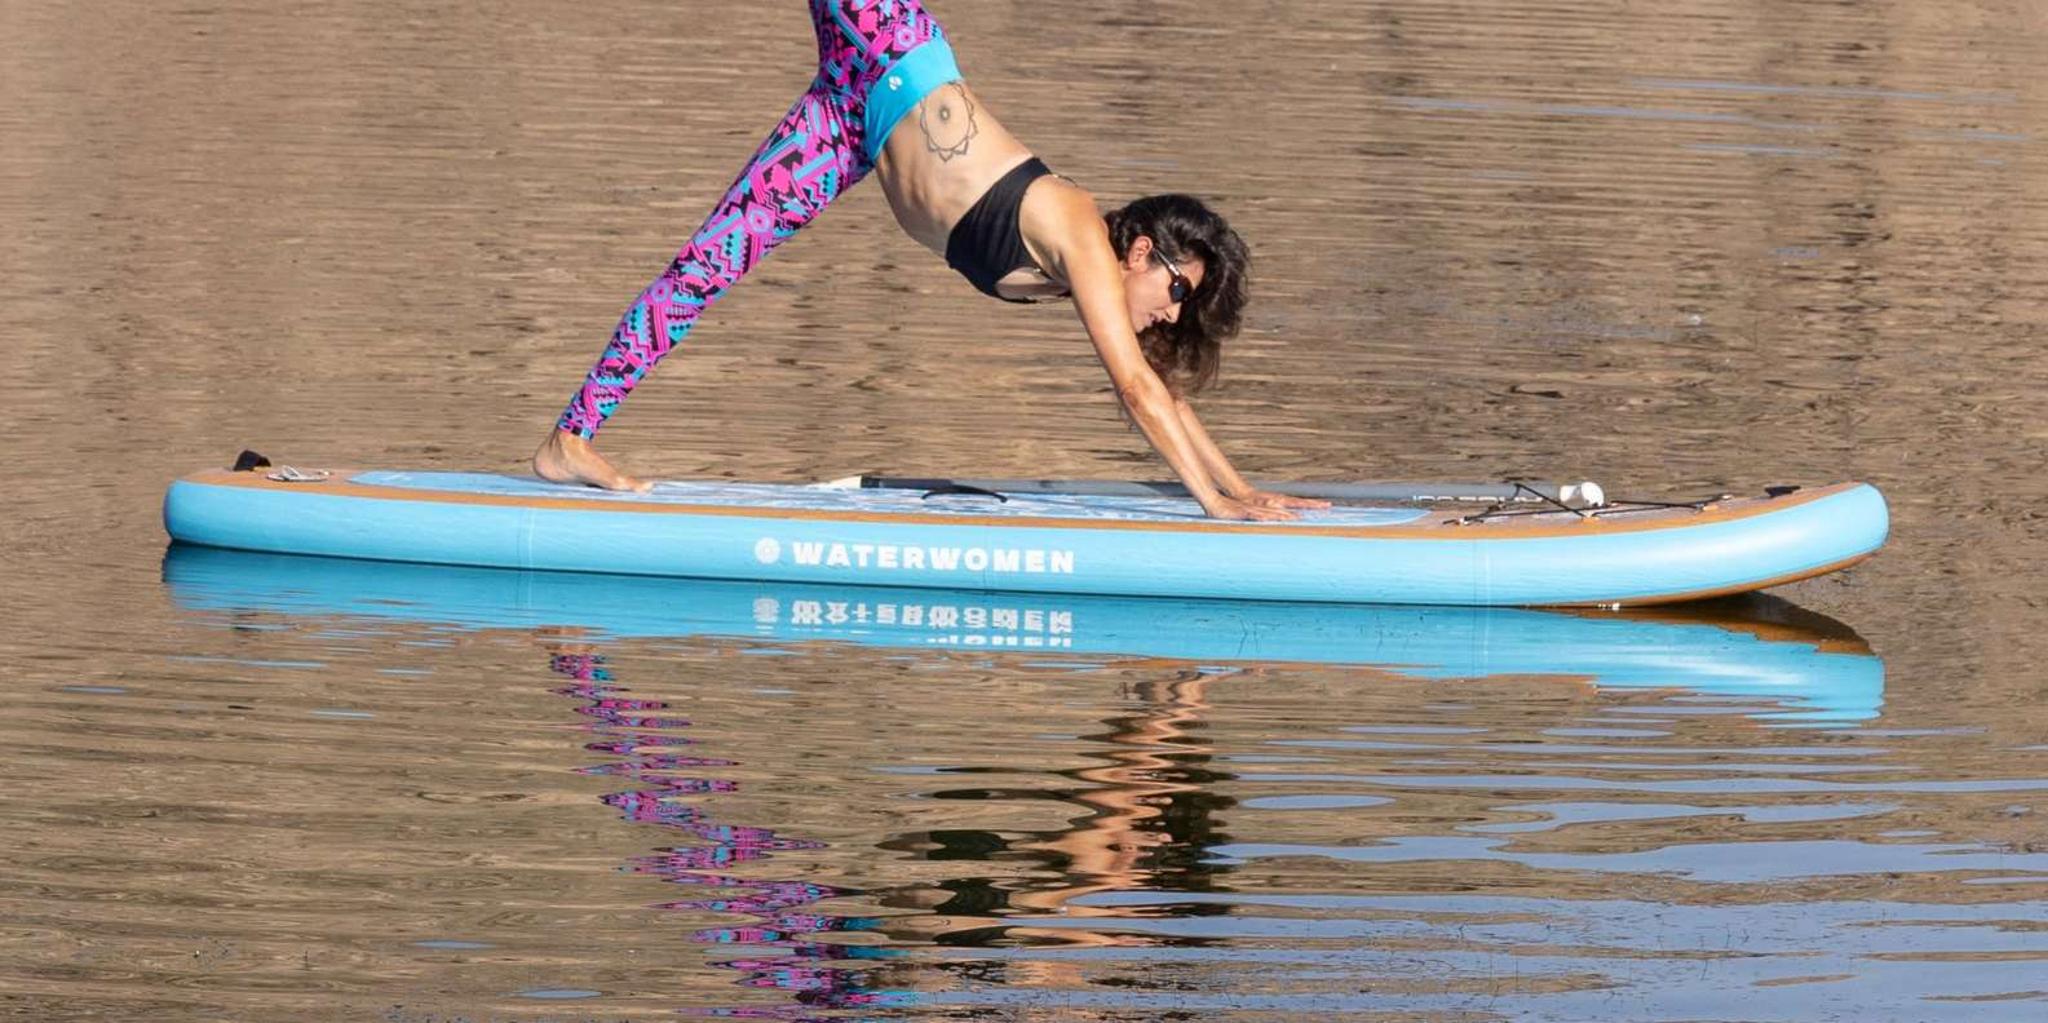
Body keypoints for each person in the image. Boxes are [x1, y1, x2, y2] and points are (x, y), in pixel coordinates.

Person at [534, 0, 1327, 521]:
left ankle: (568, 439)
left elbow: (1157, 390)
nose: (1171, 310)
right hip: (888, 40)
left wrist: (1240, 488)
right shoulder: (1085, 234)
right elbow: (1135, 388)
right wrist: (1219, 510)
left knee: (705, 268)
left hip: (851, 121)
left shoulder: (1088, 275)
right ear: (1143, 251)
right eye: (1176, 289)